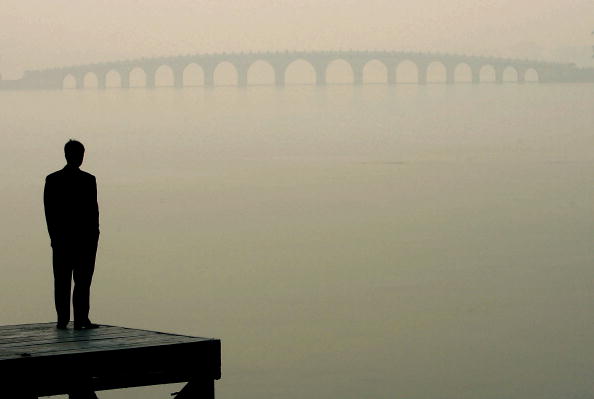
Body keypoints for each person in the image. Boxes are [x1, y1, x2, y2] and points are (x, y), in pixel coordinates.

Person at [44, 140, 100, 330]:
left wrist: (54, 237)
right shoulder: (88, 180)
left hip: (64, 240)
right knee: (81, 281)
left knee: (63, 281)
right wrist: (94, 236)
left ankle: (64, 319)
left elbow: (49, 213)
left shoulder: (53, 179)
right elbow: (93, 213)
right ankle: (80, 319)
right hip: (82, 240)